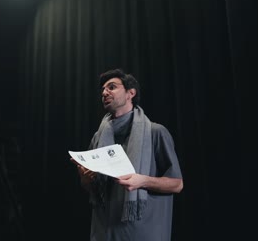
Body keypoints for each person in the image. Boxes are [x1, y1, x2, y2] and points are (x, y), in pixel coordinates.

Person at [71, 68, 183, 241]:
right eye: (102, 90)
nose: (104, 92)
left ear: (131, 93)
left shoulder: (155, 132)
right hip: (104, 233)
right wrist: (85, 178)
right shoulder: (98, 138)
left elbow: (177, 184)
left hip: (143, 233)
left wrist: (142, 180)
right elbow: (92, 189)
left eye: (112, 87)